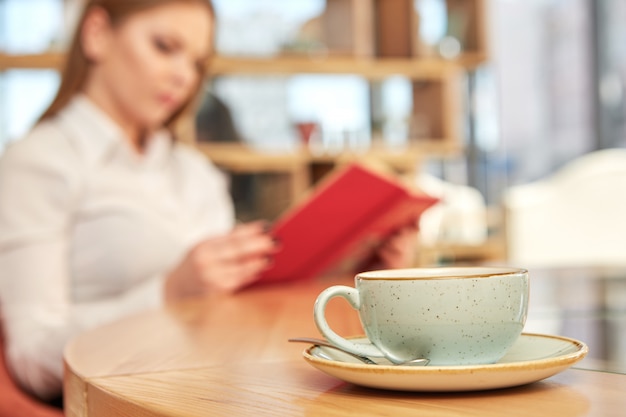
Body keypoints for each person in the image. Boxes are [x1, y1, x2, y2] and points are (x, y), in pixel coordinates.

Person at [0, 0, 417, 403]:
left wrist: (352, 274)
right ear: (96, 34)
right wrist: (168, 293)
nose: (184, 77)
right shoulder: (38, 162)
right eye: (165, 47)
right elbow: (31, 358)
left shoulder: (196, 172)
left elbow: (234, 317)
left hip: (210, 390)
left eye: (198, 63)